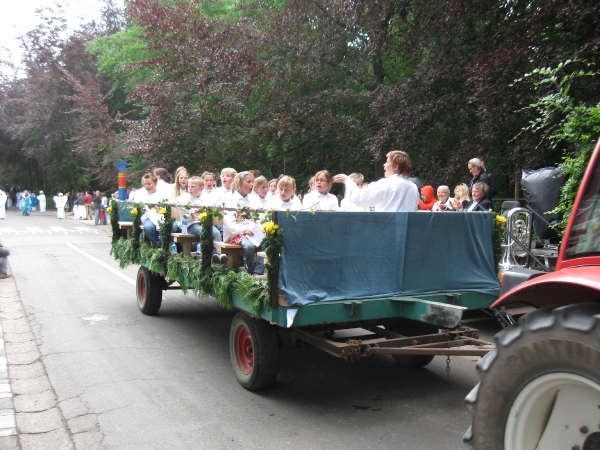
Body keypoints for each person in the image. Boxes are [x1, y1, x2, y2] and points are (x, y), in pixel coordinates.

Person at [333, 150, 419, 212]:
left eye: (387, 162)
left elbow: (359, 198)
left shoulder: (387, 183)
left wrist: (347, 180)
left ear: (395, 167)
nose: (384, 165)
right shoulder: (413, 187)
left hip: (388, 232)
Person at [222, 172, 264, 276]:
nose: (251, 184)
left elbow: (260, 218)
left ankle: (258, 270)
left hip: (253, 233)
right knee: (249, 247)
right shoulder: (231, 200)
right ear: (240, 183)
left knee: (267, 243)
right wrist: (243, 230)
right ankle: (251, 270)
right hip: (237, 233)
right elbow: (229, 222)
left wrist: (260, 229)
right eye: (248, 182)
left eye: (253, 182)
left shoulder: (254, 200)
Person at [139, 173, 169, 244]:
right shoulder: (141, 195)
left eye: (149, 184)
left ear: (155, 184)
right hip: (148, 217)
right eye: (144, 184)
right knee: (148, 227)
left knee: (171, 226)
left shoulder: (162, 194)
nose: (146, 186)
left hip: (162, 216)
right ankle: (158, 244)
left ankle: (167, 244)